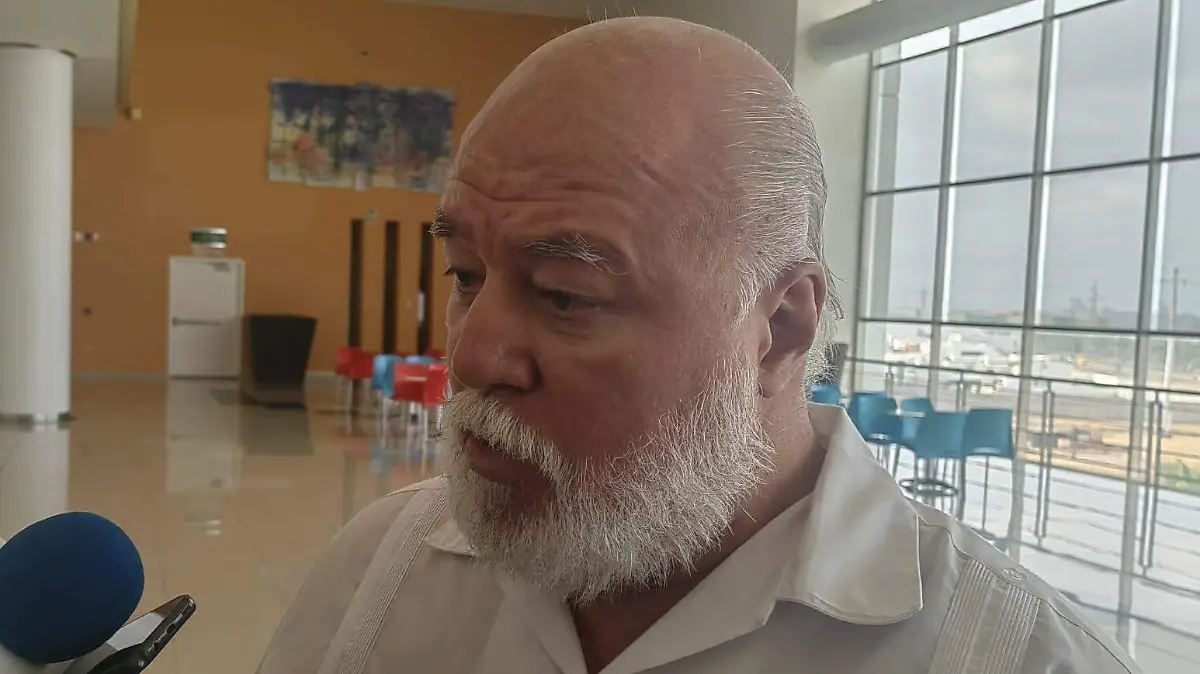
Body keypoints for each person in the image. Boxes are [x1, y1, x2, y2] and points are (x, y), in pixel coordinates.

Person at [258, 17, 1138, 674]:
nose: (474, 357)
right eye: (465, 275)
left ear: (780, 328)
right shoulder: (380, 575)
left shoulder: (1012, 656)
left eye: (565, 295)